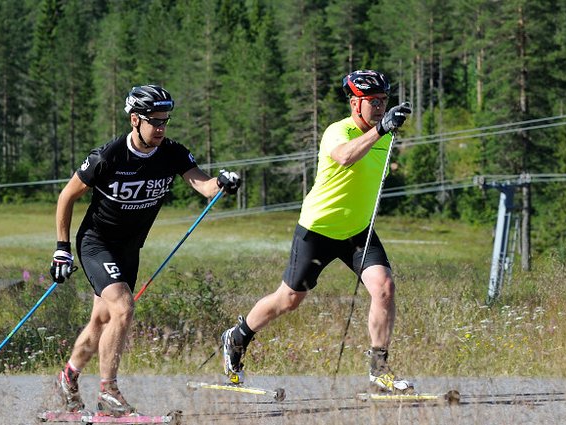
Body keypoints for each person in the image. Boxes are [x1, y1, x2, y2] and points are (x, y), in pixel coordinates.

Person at [49, 84, 241, 416]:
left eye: (165, 121)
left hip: (129, 247)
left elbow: (203, 185)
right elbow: (67, 196)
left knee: (102, 319)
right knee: (123, 308)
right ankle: (108, 392)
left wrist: (222, 183)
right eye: (155, 121)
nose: (161, 128)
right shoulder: (108, 156)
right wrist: (61, 249)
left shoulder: (172, 153)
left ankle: (68, 378)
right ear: (135, 120)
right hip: (97, 243)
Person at [219, 70, 414, 393]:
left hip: (358, 231)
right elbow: (345, 157)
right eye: (373, 102)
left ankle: (379, 371)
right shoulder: (339, 131)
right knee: (289, 299)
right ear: (355, 103)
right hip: (319, 229)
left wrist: (383, 132)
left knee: (384, 288)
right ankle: (237, 336)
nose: (380, 107)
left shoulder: (385, 136)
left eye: (384, 102)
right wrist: (381, 129)